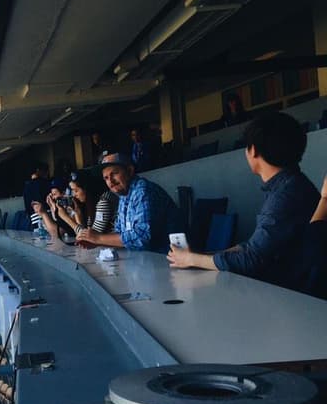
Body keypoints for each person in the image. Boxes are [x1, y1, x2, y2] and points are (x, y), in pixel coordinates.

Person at [167, 112, 319, 286]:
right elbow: (252, 247)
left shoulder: (286, 195)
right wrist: (197, 257)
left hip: (290, 297)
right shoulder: (290, 186)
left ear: (253, 150)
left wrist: (192, 259)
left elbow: (251, 260)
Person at [76, 151, 181, 253]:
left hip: (168, 258)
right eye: (106, 178)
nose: (110, 181)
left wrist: (98, 238)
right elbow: (120, 232)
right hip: (147, 259)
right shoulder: (124, 194)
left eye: (114, 173)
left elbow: (142, 238)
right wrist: (96, 241)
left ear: (130, 171)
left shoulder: (143, 191)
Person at [35, 171, 117, 237]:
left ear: (87, 189)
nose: (74, 194)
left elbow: (91, 237)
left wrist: (66, 217)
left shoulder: (103, 202)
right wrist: (78, 213)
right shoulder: (90, 204)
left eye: (76, 190)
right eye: (72, 191)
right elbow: (82, 232)